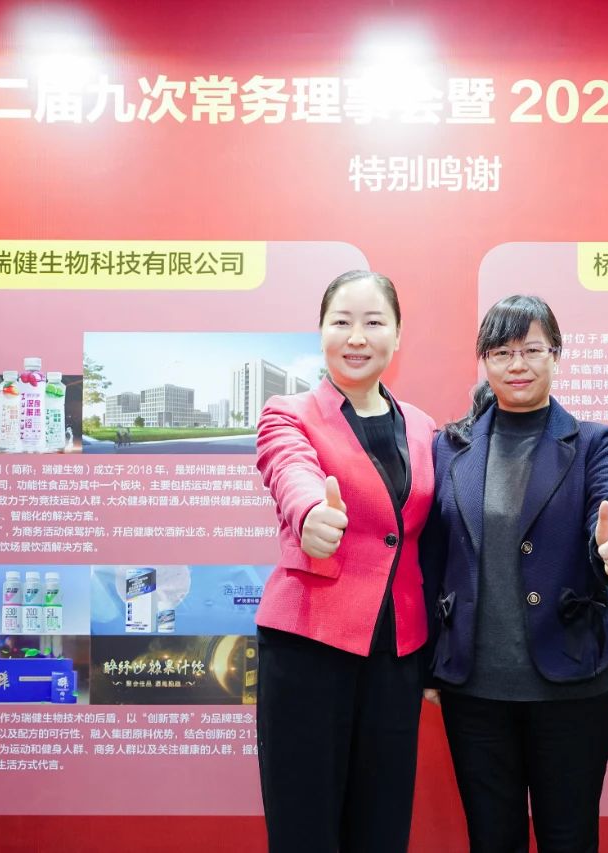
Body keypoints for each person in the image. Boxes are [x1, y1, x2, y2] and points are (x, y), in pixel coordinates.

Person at [423, 294, 608, 853]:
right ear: (485, 361)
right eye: (501, 352)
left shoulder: (592, 442)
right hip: (475, 691)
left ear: (556, 355)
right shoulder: (450, 447)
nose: (516, 364)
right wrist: (427, 663)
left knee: (569, 838)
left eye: (531, 350)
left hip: (570, 684)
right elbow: (432, 558)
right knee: (491, 839)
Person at [253, 270, 436, 853]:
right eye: (342, 322)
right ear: (321, 332)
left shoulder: (424, 428)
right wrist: (310, 514)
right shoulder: (288, 413)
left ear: (398, 335)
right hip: (309, 646)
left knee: (382, 828)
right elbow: (290, 470)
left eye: (374, 322)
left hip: (396, 657)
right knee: (304, 828)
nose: (357, 337)